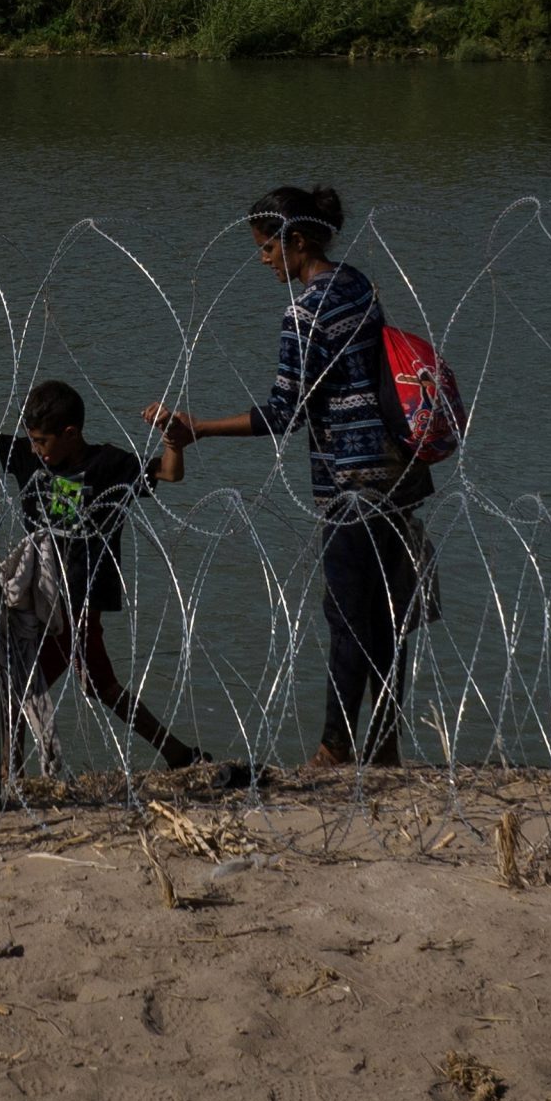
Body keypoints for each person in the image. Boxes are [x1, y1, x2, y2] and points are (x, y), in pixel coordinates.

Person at [147, 186, 431, 767]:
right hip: (399, 471)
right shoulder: (358, 284)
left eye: (268, 248)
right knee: (386, 616)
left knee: (349, 614)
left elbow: (283, 412)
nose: (264, 260)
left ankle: (335, 747)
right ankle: (384, 745)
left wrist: (197, 428)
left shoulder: (304, 312)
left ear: (296, 241)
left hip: (353, 481)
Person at [0, 378, 213, 774]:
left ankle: (8, 778)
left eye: (43, 441)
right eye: (31, 439)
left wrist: (172, 441)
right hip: (39, 598)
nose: (34, 448)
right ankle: (179, 755)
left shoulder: (109, 465)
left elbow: (169, 473)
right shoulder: (30, 457)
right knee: (101, 685)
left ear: (71, 433)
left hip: (79, 601)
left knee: (20, 686)